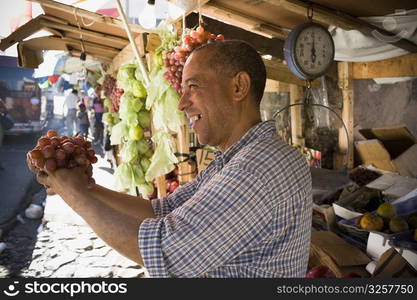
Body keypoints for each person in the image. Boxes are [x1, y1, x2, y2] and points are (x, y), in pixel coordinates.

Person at [29, 40, 312, 278]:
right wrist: (88, 189)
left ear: (238, 87)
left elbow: (165, 251)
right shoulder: (237, 157)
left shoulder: (257, 168)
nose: (181, 102)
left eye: (193, 87)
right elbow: (162, 211)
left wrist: (75, 194)